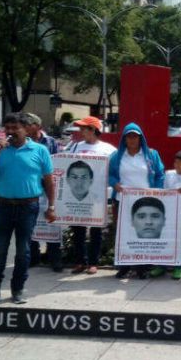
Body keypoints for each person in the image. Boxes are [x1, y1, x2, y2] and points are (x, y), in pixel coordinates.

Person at [0, 113, 56, 305]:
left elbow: (49, 181)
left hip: (28, 207)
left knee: (23, 250)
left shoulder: (39, 150)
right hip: (4, 206)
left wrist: (51, 206)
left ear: (26, 129)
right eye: (7, 128)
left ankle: (18, 289)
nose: (10, 132)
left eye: (14, 128)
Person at [108, 122, 165, 279]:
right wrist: (115, 184)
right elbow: (110, 174)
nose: (132, 140)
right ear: (124, 139)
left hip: (146, 201)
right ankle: (124, 266)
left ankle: (142, 267)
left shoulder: (151, 155)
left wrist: (157, 191)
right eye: (129, 137)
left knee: (143, 233)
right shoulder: (117, 156)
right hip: (123, 201)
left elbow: (160, 174)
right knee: (123, 233)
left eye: (135, 136)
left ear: (141, 138)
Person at [65, 116, 116, 275]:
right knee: (78, 229)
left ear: (93, 130)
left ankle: (93, 262)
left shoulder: (109, 150)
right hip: (77, 197)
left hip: (98, 196)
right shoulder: (74, 147)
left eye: (83, 128)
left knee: (96, 230)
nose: (81, 132)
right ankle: (80, 261)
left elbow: (113, 172)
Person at [24, 113, 63, 272]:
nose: (25, 126)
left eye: (28, 124)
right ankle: (33, 257)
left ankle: (54, 258)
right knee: (29, 224)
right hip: (30, 189)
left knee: (51, 222)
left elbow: (59, 163)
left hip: (48, 189)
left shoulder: (51, 142)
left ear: (37, 126)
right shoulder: (22, 142)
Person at [151, 149, 181, 280]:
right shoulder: (168, 174)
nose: (176, 165)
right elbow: (162, 190)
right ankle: (161, 265)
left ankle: (178, 267)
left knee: (180, 241)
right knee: (164, 239)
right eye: (175, 162)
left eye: (180, 163)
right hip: (168, 211)